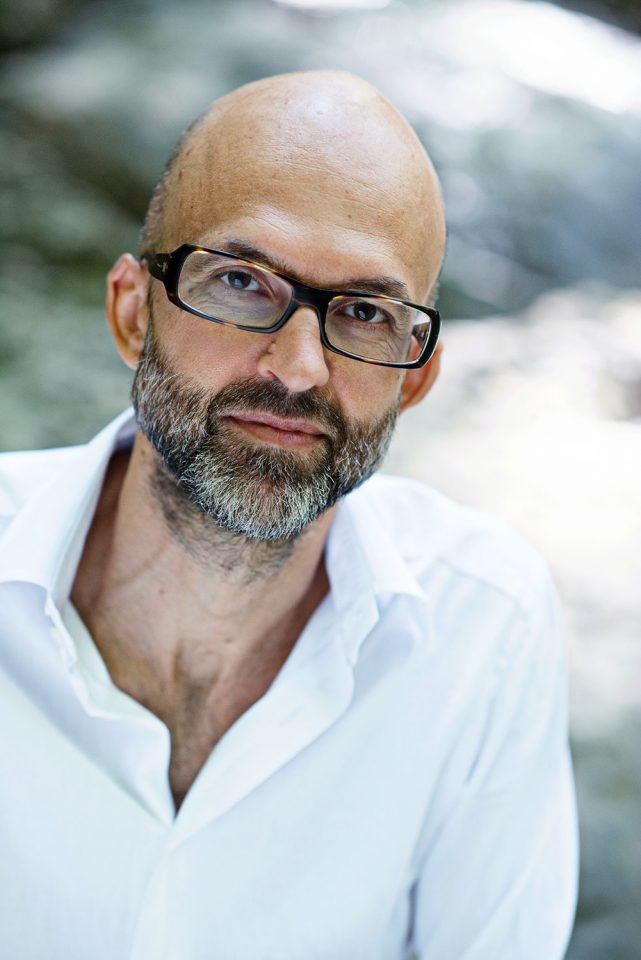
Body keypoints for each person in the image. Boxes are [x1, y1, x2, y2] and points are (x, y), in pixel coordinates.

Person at [0, 70, 578, 959]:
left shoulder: (483, 628)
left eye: (365, 312)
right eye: (241, 281)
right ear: (131, 312)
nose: (300, 367)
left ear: (414, 378)